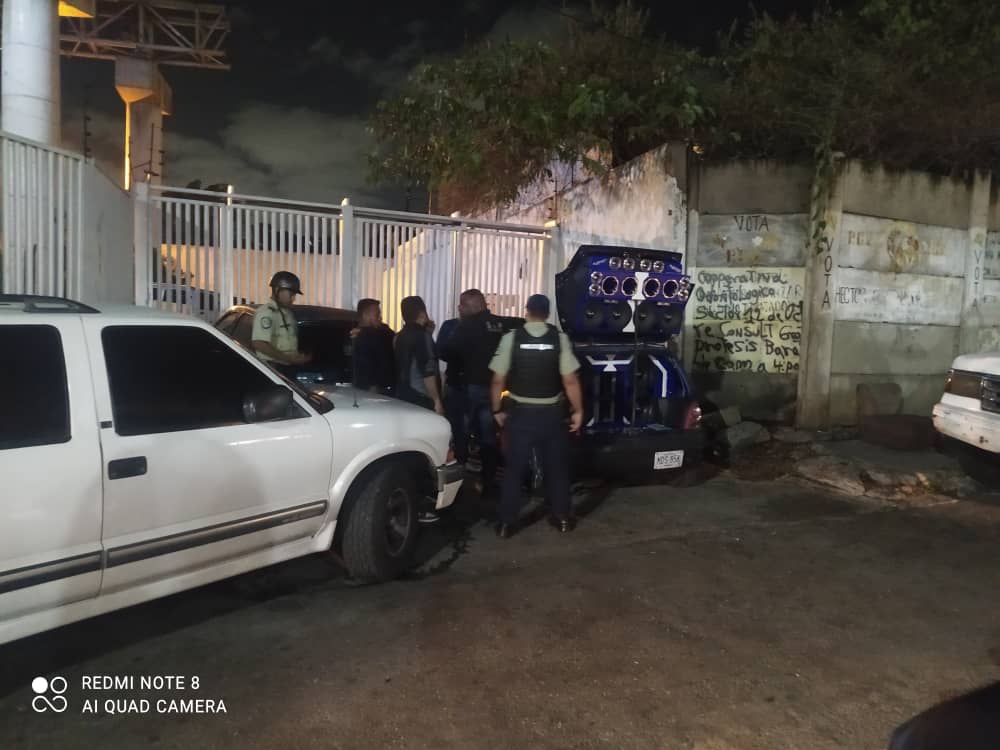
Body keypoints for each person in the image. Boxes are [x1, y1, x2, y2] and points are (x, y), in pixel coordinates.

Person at [489, 294, 583, 537]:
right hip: (552, 416)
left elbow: (498, 379)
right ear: (548, 313)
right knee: (557, 468)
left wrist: (497, 410)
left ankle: (506, 524)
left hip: (520, 416)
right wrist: (579, 411)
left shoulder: (511, 339)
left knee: (513, 470)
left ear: (527, 310)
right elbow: (570, 381)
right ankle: (562, 518)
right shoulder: (560, 340)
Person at [438, 289, 507, 494]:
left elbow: (446, 352)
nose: (460, 308)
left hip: (466, 389)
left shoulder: (464, 326)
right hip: (492, 390)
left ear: (474, 306)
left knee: (461, 435)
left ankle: (458, 487)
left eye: (463, 304)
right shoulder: (500, 324)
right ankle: (488, 483)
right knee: (488, 437)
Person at [251, 271, 311, 378]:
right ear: (277, 290)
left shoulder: (287, 312)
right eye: (291, 294)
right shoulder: (266, 313)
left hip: (287, 368)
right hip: (272, 369)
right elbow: (259, 343)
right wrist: (288, 358)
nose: (293, 299)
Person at [393, 295, 444, 415]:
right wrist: (437, 400)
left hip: (402, 394)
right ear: (422, 313)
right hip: (421, 398)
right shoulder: (422, 336)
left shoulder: (398, 337)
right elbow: (427, 371)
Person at [436, 310, 467, 464]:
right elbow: (441, 351)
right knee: (456, 427)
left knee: (461, 427)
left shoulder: (451, 326)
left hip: (469, 384)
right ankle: (458, 462)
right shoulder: (450, 326)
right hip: (457, 383)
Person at [351, 298, 395, 395]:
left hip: (379, 388)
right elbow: (365, 364)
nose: (380, 317)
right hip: (371, 389)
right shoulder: (364, 336)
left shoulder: (380, 332)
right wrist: (372, 386)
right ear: (365, 315)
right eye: (377, 314)